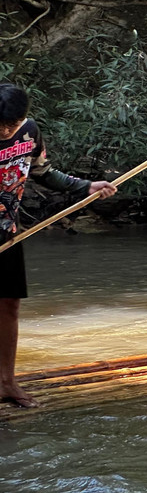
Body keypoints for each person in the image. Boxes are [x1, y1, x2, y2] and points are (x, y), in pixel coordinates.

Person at [0, 84, 117, 408]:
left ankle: (7, 383)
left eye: (12, 125)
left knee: (9, 305)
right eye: (1, 127)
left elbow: (43, 172)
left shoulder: (29, 133)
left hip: (7, 232)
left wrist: (86, 186)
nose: (7, 131)